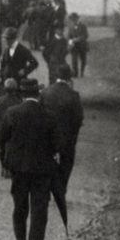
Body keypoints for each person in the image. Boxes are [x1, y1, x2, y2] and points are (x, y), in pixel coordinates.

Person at [0, 78, 62, 240]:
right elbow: (58, 144)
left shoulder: (12, 113)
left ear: (22, 94)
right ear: (38, 93)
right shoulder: (49, 115)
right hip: (42, 169)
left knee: (20, 205)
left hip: (18, 169)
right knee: (39, 209)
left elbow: (2, 139)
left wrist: (4, 162)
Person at [41, 63, 84, 192]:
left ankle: (48, 186)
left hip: (47, 135)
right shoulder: (74, 95)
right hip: (66, 135)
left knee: (46, 159)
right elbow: (78, 118)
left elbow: (40, 114)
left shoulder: (45, 92)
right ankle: (61, 187)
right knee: (67, 161)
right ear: (69, 78)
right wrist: (73, 135)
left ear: (56, 76)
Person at [67, 13, 89, 78]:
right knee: (74, 60)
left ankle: (82, 72)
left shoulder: (83, 26)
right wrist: (70, 41)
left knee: (83, 60)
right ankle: (75, 73)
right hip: (74, 46)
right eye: (72, 19)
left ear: (77, 19)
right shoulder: (71, 27)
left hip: (82, 45)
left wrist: (78, 39)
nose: (73, 20)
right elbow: (69, 36)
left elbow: (86, 35)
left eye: (74, 19)